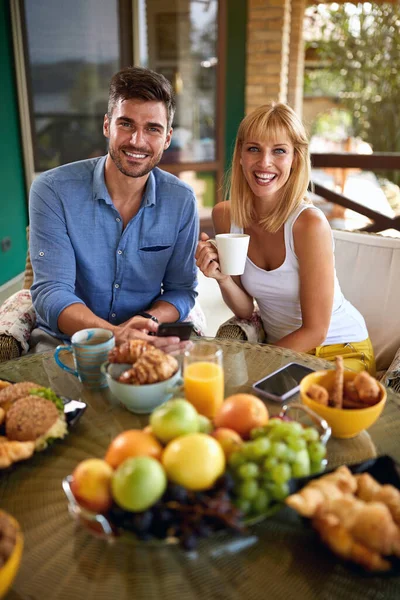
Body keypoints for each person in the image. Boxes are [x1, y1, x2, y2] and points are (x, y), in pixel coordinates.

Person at [29, 66, 199, 354]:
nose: (137, 141)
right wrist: (116, 335)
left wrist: (147, 322)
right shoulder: (52, 190)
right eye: (127, 124)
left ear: (167, 138)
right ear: (107, 126)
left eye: (152, 129)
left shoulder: (181, 201)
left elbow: (181, 289)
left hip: (147, 340)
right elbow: (51, 292)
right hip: (68, 343)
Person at [196, 102, 375, 373]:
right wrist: (221, 278)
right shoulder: (225, 216)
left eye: (279, 151)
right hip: (283, 352)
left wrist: (258, 363)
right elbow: (245, 311)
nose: (264, 162)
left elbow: (316, 330)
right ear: (241, 155)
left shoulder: (308, 225)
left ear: (295, 159)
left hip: (339, 351)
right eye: (253, 148)